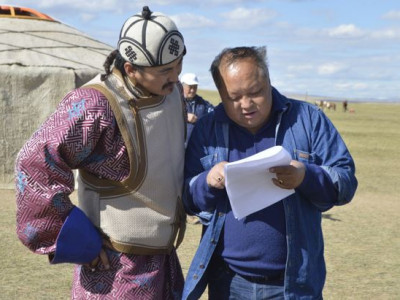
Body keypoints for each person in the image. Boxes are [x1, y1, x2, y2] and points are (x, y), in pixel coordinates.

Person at [15, 6, 187, 300]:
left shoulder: (173, 93)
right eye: (164, 71)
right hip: (114, 270)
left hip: (165, 264)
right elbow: (34, 163)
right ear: (132, 69)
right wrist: (75, 240)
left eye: (178, 65)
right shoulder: (95, 104)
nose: (175, 76)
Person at [182, 46, 358, 300]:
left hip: (293, 287)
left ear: (268, 81)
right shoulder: (207, 129)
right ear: (221, 94)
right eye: (234, 97)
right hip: (228, 284)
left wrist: (305, 176)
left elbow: (346, 181)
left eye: (255, 92)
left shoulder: (308, 119)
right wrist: (207, 182)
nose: (246, 104)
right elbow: (187, 199)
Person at [180, 72, 214, 146]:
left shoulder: (202, 103)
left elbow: (214, 112)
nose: (192, 90)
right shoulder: (175, 101)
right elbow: (166, 115)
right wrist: (185, 116)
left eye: (195, 87)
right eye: (190, 87)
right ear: (182, 86)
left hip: (197, 146)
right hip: (179, 146)